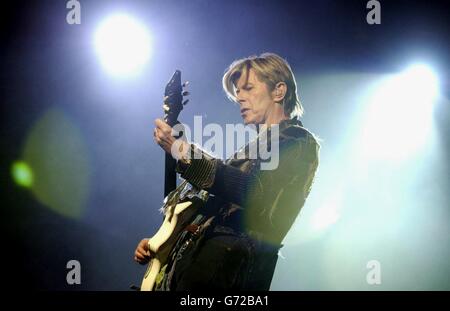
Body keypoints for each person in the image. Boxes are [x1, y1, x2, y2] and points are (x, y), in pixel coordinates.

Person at [134, 53, 320, 290]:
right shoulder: (248, 152)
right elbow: (213, 210)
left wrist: (184, 153)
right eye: (237, 92)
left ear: (278, 91)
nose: (239, 98)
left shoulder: (300, 142)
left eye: (248, 88)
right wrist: (162, 242)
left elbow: (256, 194)